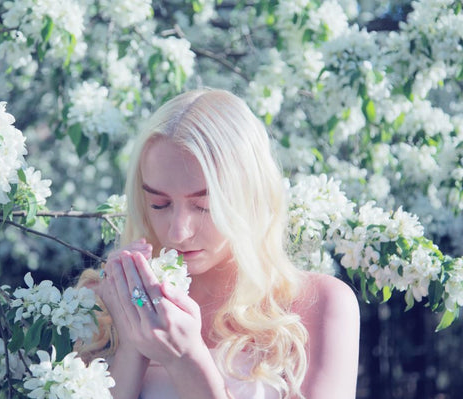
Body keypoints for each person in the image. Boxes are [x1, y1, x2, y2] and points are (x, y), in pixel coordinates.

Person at [78, 88, 360, 398]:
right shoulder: (102, 303)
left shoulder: (318, 305)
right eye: (159, 204)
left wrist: (186, 360)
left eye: (204, 206)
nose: (177, 233)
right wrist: (132, 343)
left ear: (251, 195)